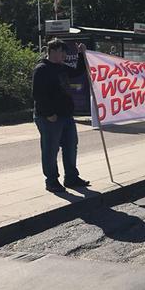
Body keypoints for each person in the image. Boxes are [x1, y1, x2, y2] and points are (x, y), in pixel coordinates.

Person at [32, 38, 90, 193]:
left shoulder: (61, 67)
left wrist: (81, 55)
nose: (65, 55)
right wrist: (49, 113)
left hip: (66, 115)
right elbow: (38, 94)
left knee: (71, 146)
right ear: (54, 51)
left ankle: (71, 177)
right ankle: (51, 180)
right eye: (63, 52)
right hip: (50, 117)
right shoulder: (42, 69)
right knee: (50, 150)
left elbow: (77, 72)